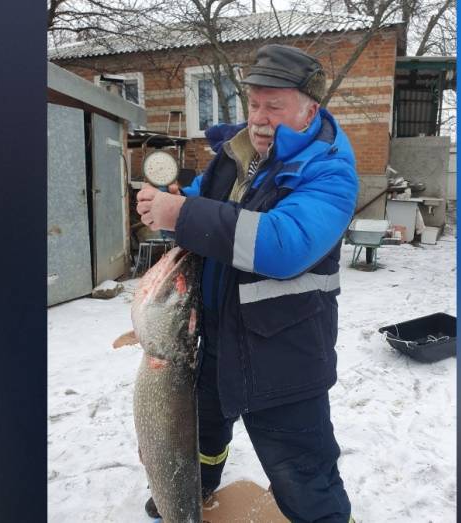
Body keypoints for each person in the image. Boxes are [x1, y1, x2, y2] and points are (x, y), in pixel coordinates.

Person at [136, 44, 358, 523]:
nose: (259, 118)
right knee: (202, 432)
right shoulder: (234, 157)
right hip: (216, 337)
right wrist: (166, 209)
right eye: (254, 103)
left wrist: (184, 215)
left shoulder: (329, 171)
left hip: (286, 353)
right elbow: (198, 205)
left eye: (274, 106)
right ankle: (194, 484)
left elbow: (283, 244)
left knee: (304, 476)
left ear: (309, 110)